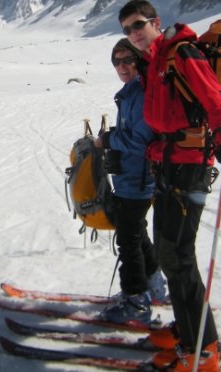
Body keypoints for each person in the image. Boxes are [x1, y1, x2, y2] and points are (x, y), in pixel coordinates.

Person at [117, 0, 221, 372]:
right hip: (168, 167)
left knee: (177, 257)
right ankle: (191, 332)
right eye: (126, 29)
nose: (133, 34)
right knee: (174, 257)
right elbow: (167, 119)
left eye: (138, 25)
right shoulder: (155, 60)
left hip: (189, 169)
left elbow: (214, 98)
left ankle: (201, 349)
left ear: (155, 21)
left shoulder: (180, 53)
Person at [95, 38, 166, 327]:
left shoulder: (141, 93)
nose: (122, 66)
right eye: (116, 61)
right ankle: (154, 286)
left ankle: (136, 301)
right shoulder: (131, 92)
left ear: (139, 61)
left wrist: (109, 139)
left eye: (127, 60)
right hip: (132, 177)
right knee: (137, 232)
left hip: (138, 179)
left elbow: (140, 140)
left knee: (127, 239)